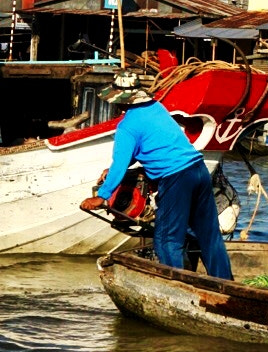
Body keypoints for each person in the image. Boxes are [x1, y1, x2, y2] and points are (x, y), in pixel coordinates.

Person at [79, 73, 233, 279]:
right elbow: (147, 146)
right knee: (209, 235)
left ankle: (177, 286)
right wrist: (117, 168)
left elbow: (120, 164)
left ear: (118, 101)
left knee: (167, 239)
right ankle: (226, 283)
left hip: (176, 178)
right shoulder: (156, 108)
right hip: (198, 169)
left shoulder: (127, 126)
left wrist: (102, 196)